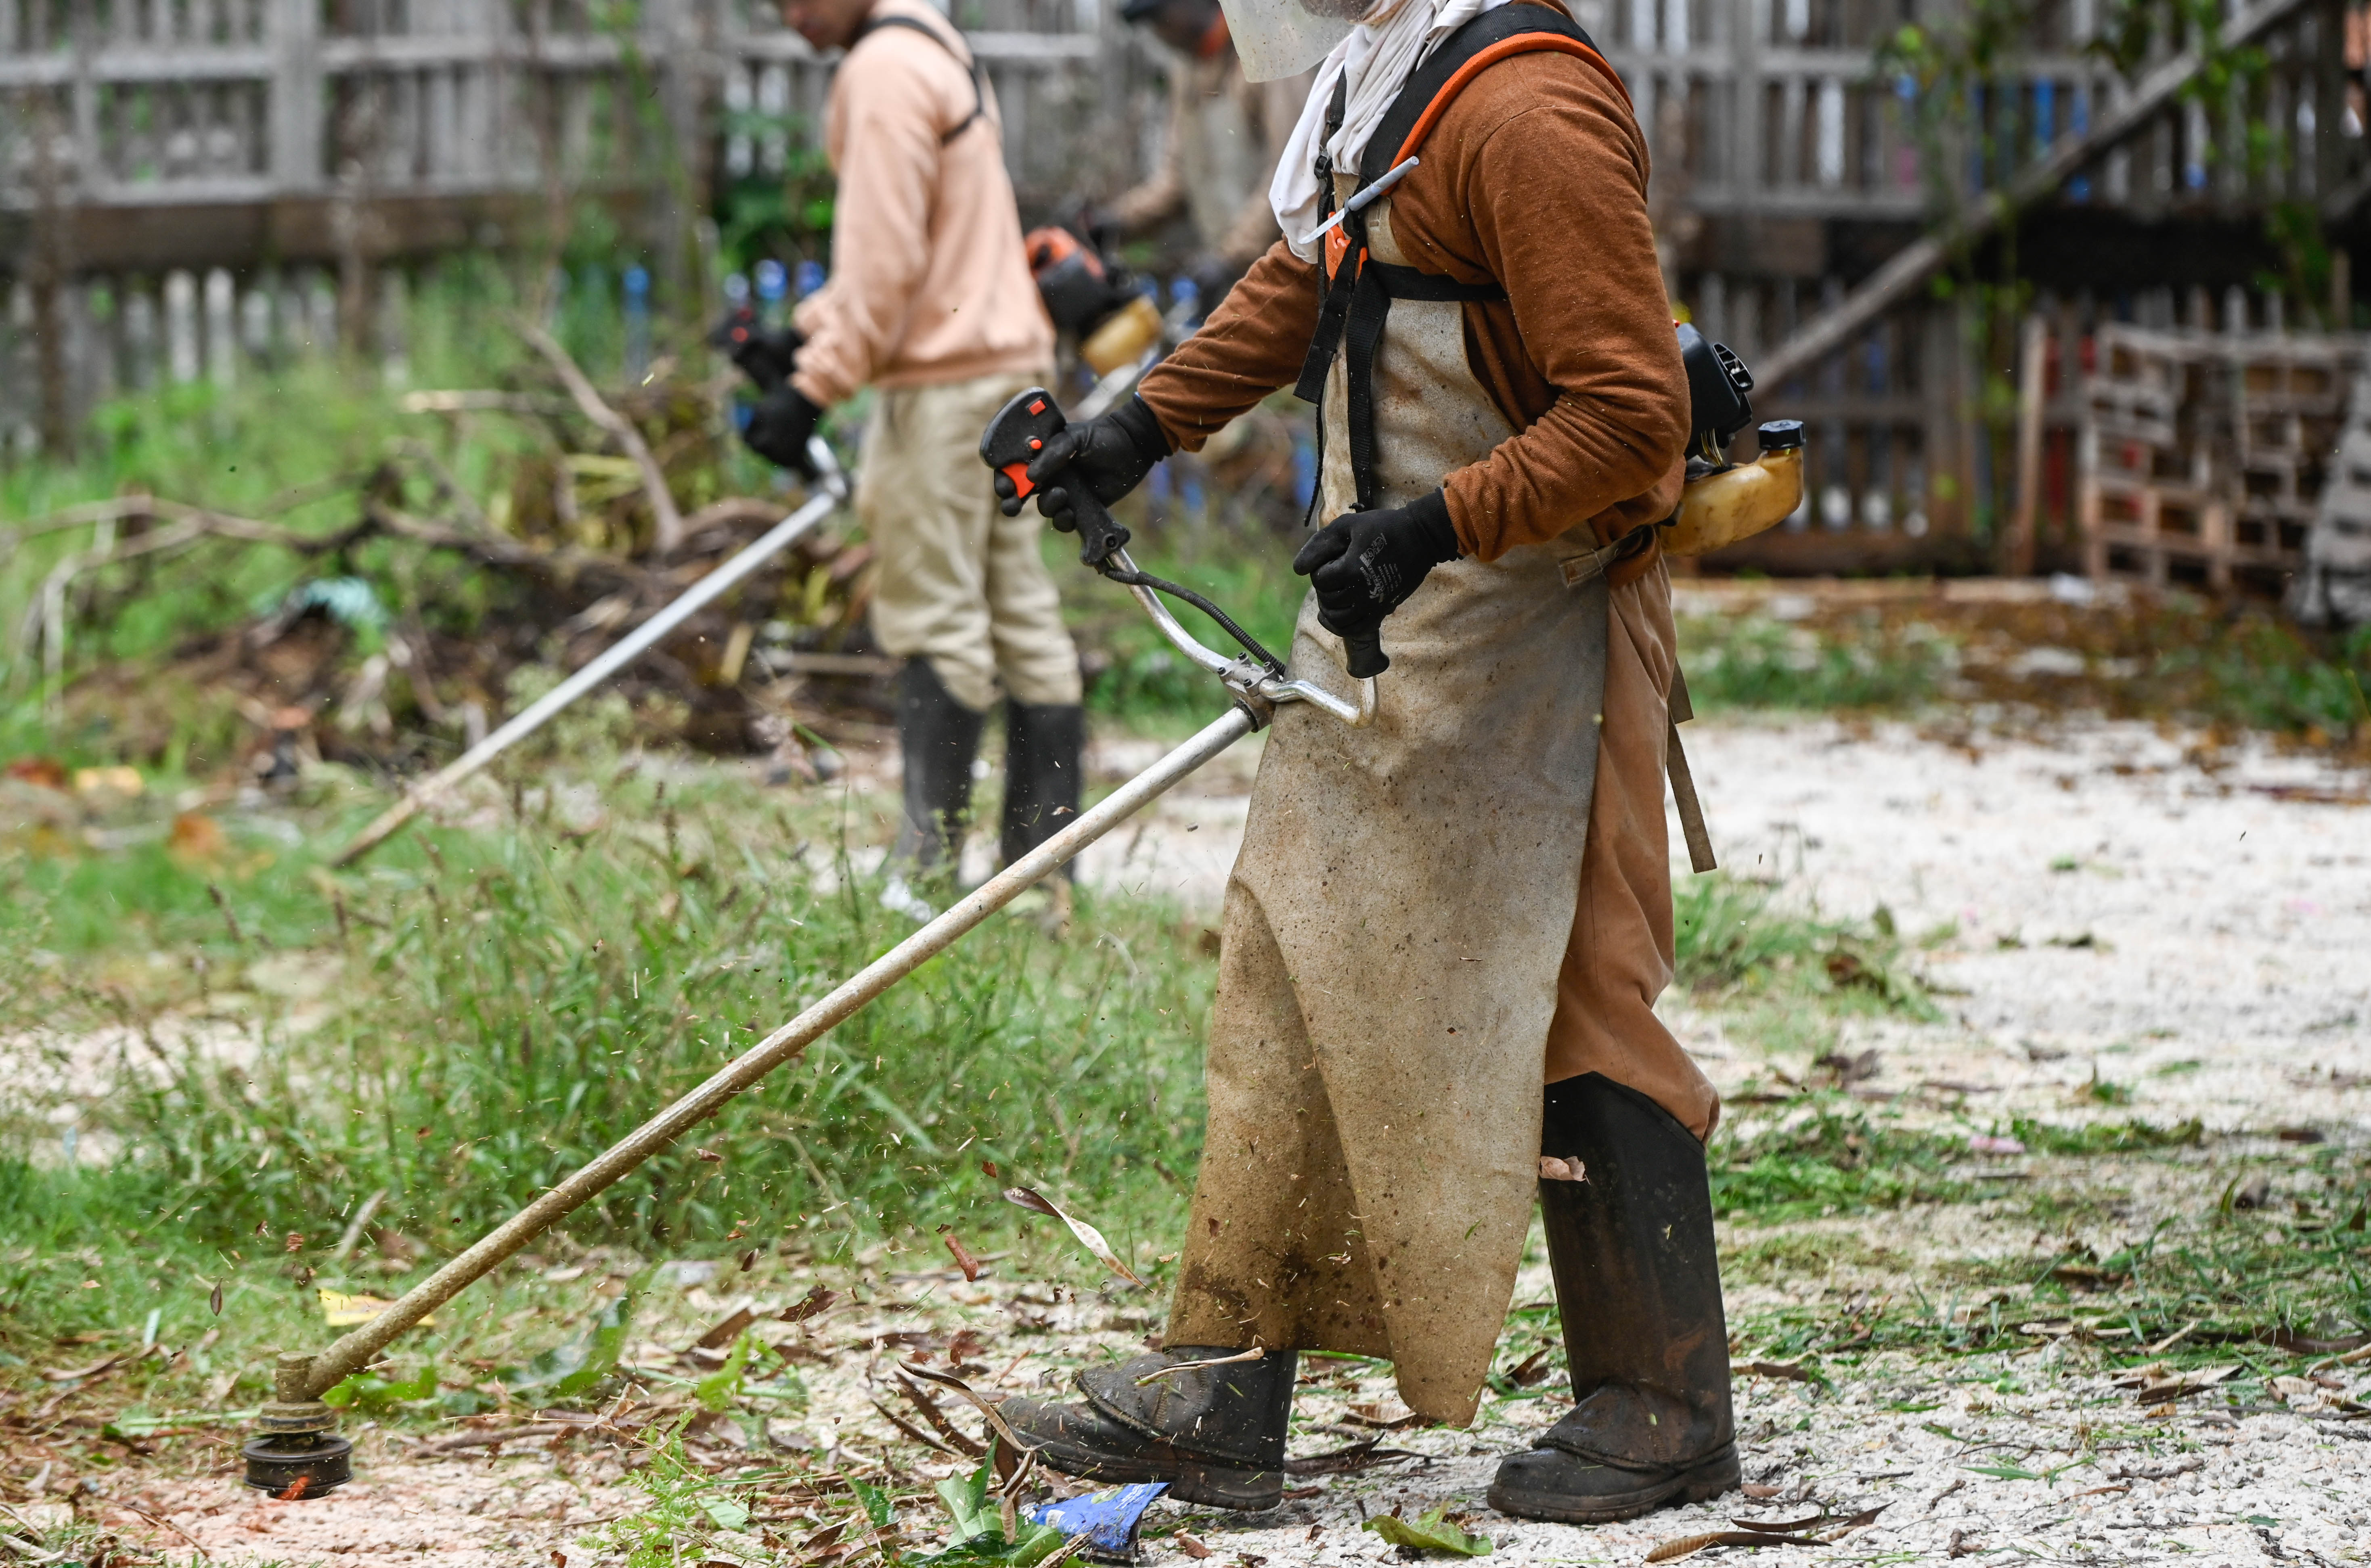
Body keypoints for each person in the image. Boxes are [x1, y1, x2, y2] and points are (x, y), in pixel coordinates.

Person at [989, 0, 1738, 1526]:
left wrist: (1430, 528)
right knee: (1294, 960)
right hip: (1391, 616)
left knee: (1579, 993)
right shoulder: (1382, 91)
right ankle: (1223, 1388)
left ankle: (1663, 1400)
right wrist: (1140, 427)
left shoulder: (1526, 112)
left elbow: (1631, 410)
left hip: (1536, 624)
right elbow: (1315, 281)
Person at [746, 0, 1084, 908]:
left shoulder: (883, 70)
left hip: (941, 395)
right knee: (1021, 616)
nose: (785, 15)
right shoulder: (934, 42)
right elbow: (932, 251)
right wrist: (809, 333)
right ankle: (1039, 884)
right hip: (1005, 376)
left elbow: (888, 261)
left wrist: (813, 387)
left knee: (936, 615)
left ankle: (926, 879)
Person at [1109, 0, 1311, 301]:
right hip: (1235, 278)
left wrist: (1231, 256)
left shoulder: (1268, 48)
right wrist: (1116, 222)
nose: (1160, 33)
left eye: (1161, 18)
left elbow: (1294, 168)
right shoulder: (1188, 70)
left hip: (1288, 272)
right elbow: (1179, 177)